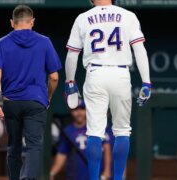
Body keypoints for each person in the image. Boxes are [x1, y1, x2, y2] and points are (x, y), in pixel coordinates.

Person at [63, 0, 151, 179]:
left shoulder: (83, 18)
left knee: (95, 131)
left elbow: (72, 54)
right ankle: (118, 178)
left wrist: (70, 81)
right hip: (120, 74)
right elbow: (139, 49)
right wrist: (146, 82)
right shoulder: (128, 15)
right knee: (122, 131)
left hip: (95, 73)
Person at [0, 5, 61, 180]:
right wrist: (48, 97)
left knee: (13, 147)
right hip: (36, 101)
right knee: (33, 145)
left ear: (12, 23)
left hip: (11, 102)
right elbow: (54, 77)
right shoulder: (44, 41)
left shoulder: (1, 43)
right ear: (32, 22)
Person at [50, 101, 113, 180]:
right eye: (75, 109)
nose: (79, 113)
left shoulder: (96, 127)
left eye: (82, 109)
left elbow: (106, 148)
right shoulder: (68, 131)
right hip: (76, 176)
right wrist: (52, 172)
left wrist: (107, 171)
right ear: (70, 111)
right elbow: (62, 154)